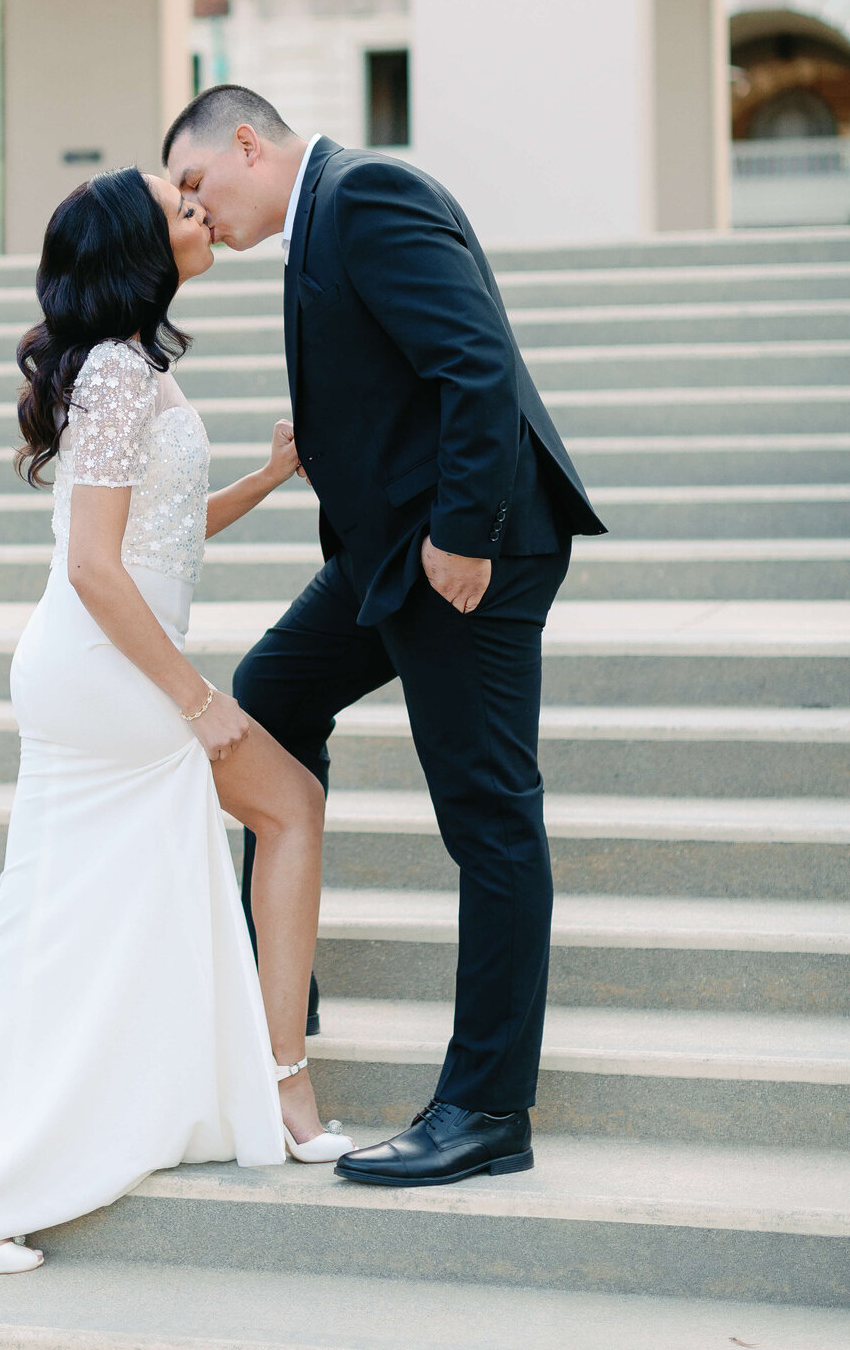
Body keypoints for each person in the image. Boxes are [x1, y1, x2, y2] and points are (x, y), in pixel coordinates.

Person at [0, 167, 353, 1279]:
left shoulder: (128, 366)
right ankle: (278, 1088)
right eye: (179, 210)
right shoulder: (114, 372)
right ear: (137, 248)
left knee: (60, 921)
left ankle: (15, 1168)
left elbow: (160, 533)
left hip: (103, 670)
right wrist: (197, 701)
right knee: (281, 810)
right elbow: (97, 568)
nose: (200, 215)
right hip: (109, 675)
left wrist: (265, 477)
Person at [163, 86, 606, 1189]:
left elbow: (477, 364)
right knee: (267, 701)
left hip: (464, 557)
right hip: (385, 557)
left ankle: (488, 1106)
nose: (194, 210)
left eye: (197, 184)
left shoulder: (367, 196)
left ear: (250, 145)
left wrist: (465, 534)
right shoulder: (322, 217)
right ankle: (280, 989)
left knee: (488, 816)